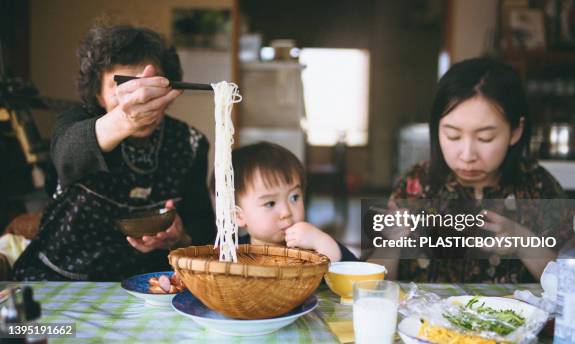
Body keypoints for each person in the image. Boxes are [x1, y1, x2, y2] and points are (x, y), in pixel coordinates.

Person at [12, 24, 216, 281]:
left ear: (170, 91)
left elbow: (202, 224)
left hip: (147, 281)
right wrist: (125, 120)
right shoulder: (75, 123)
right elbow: (65, 159)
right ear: (97, 94)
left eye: (150, 85)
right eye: (123, 86)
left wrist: (181, 237)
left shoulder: (190, 142)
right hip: (60, 275)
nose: (140, 96)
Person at [370, 57, 572, 283]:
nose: (467, 155)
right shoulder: (415, 185)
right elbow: (369, 287)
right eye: (452, 135)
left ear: (515, 131)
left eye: (485, 138)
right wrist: (392, 245)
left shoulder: (540, 188)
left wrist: (523, 241)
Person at [228, 142, 358, 262]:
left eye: (294, 197)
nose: (286, 212)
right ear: (239, 216)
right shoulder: (232, 253)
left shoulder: (309, 244)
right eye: (270, 203)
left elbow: (355, 269)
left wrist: (321, 241)